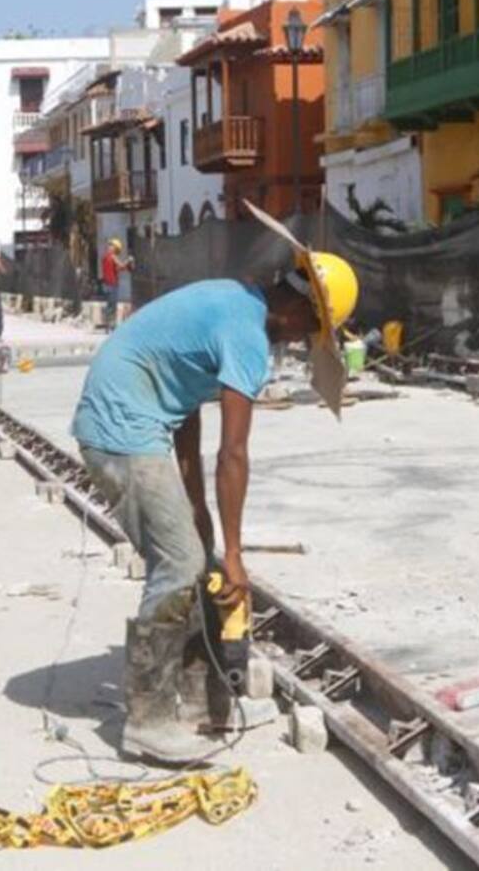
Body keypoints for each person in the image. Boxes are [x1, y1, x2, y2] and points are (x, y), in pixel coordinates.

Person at [71, 208, 359, 764]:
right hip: (120, 429)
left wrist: (199, 507)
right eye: (312, 331)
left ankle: (204, 701)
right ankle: (148, 721)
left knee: (193, 556)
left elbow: (182, 401)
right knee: (181, 564)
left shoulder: (233, 302)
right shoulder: (247, 334)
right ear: (299, 308)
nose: (303, 342)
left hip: (138, 417)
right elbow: (234, 452)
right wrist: (235, 553)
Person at [100, 238, 131, 329]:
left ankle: (107, 323)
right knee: (112, 305)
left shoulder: (105, 257)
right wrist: (128, 261)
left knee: (109, 303)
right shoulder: (112, 257)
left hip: (106, 284)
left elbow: (117, 269)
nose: (110, 247)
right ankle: (111, 324)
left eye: (111, 245)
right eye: (111, 246)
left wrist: (125, 267)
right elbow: (120, 266)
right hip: (112, 284)